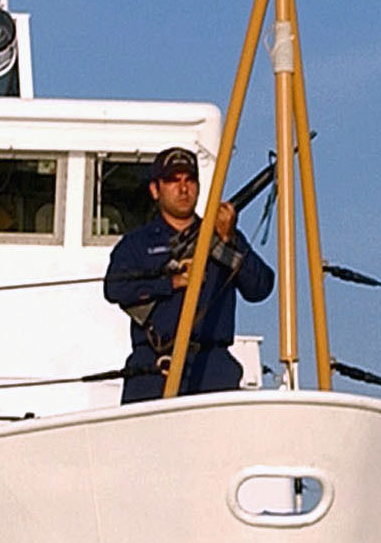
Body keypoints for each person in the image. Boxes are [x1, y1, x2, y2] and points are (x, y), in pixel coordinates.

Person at [103, 147, 274, 402]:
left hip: (212, 370)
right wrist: (172, 282)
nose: (183, 189)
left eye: (189, 180)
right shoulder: (136, 244)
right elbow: (115, 288)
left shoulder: (222, 235)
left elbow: (261, 287)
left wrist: (228, 241)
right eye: (173, 180)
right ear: (155, 190)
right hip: (154, 370)